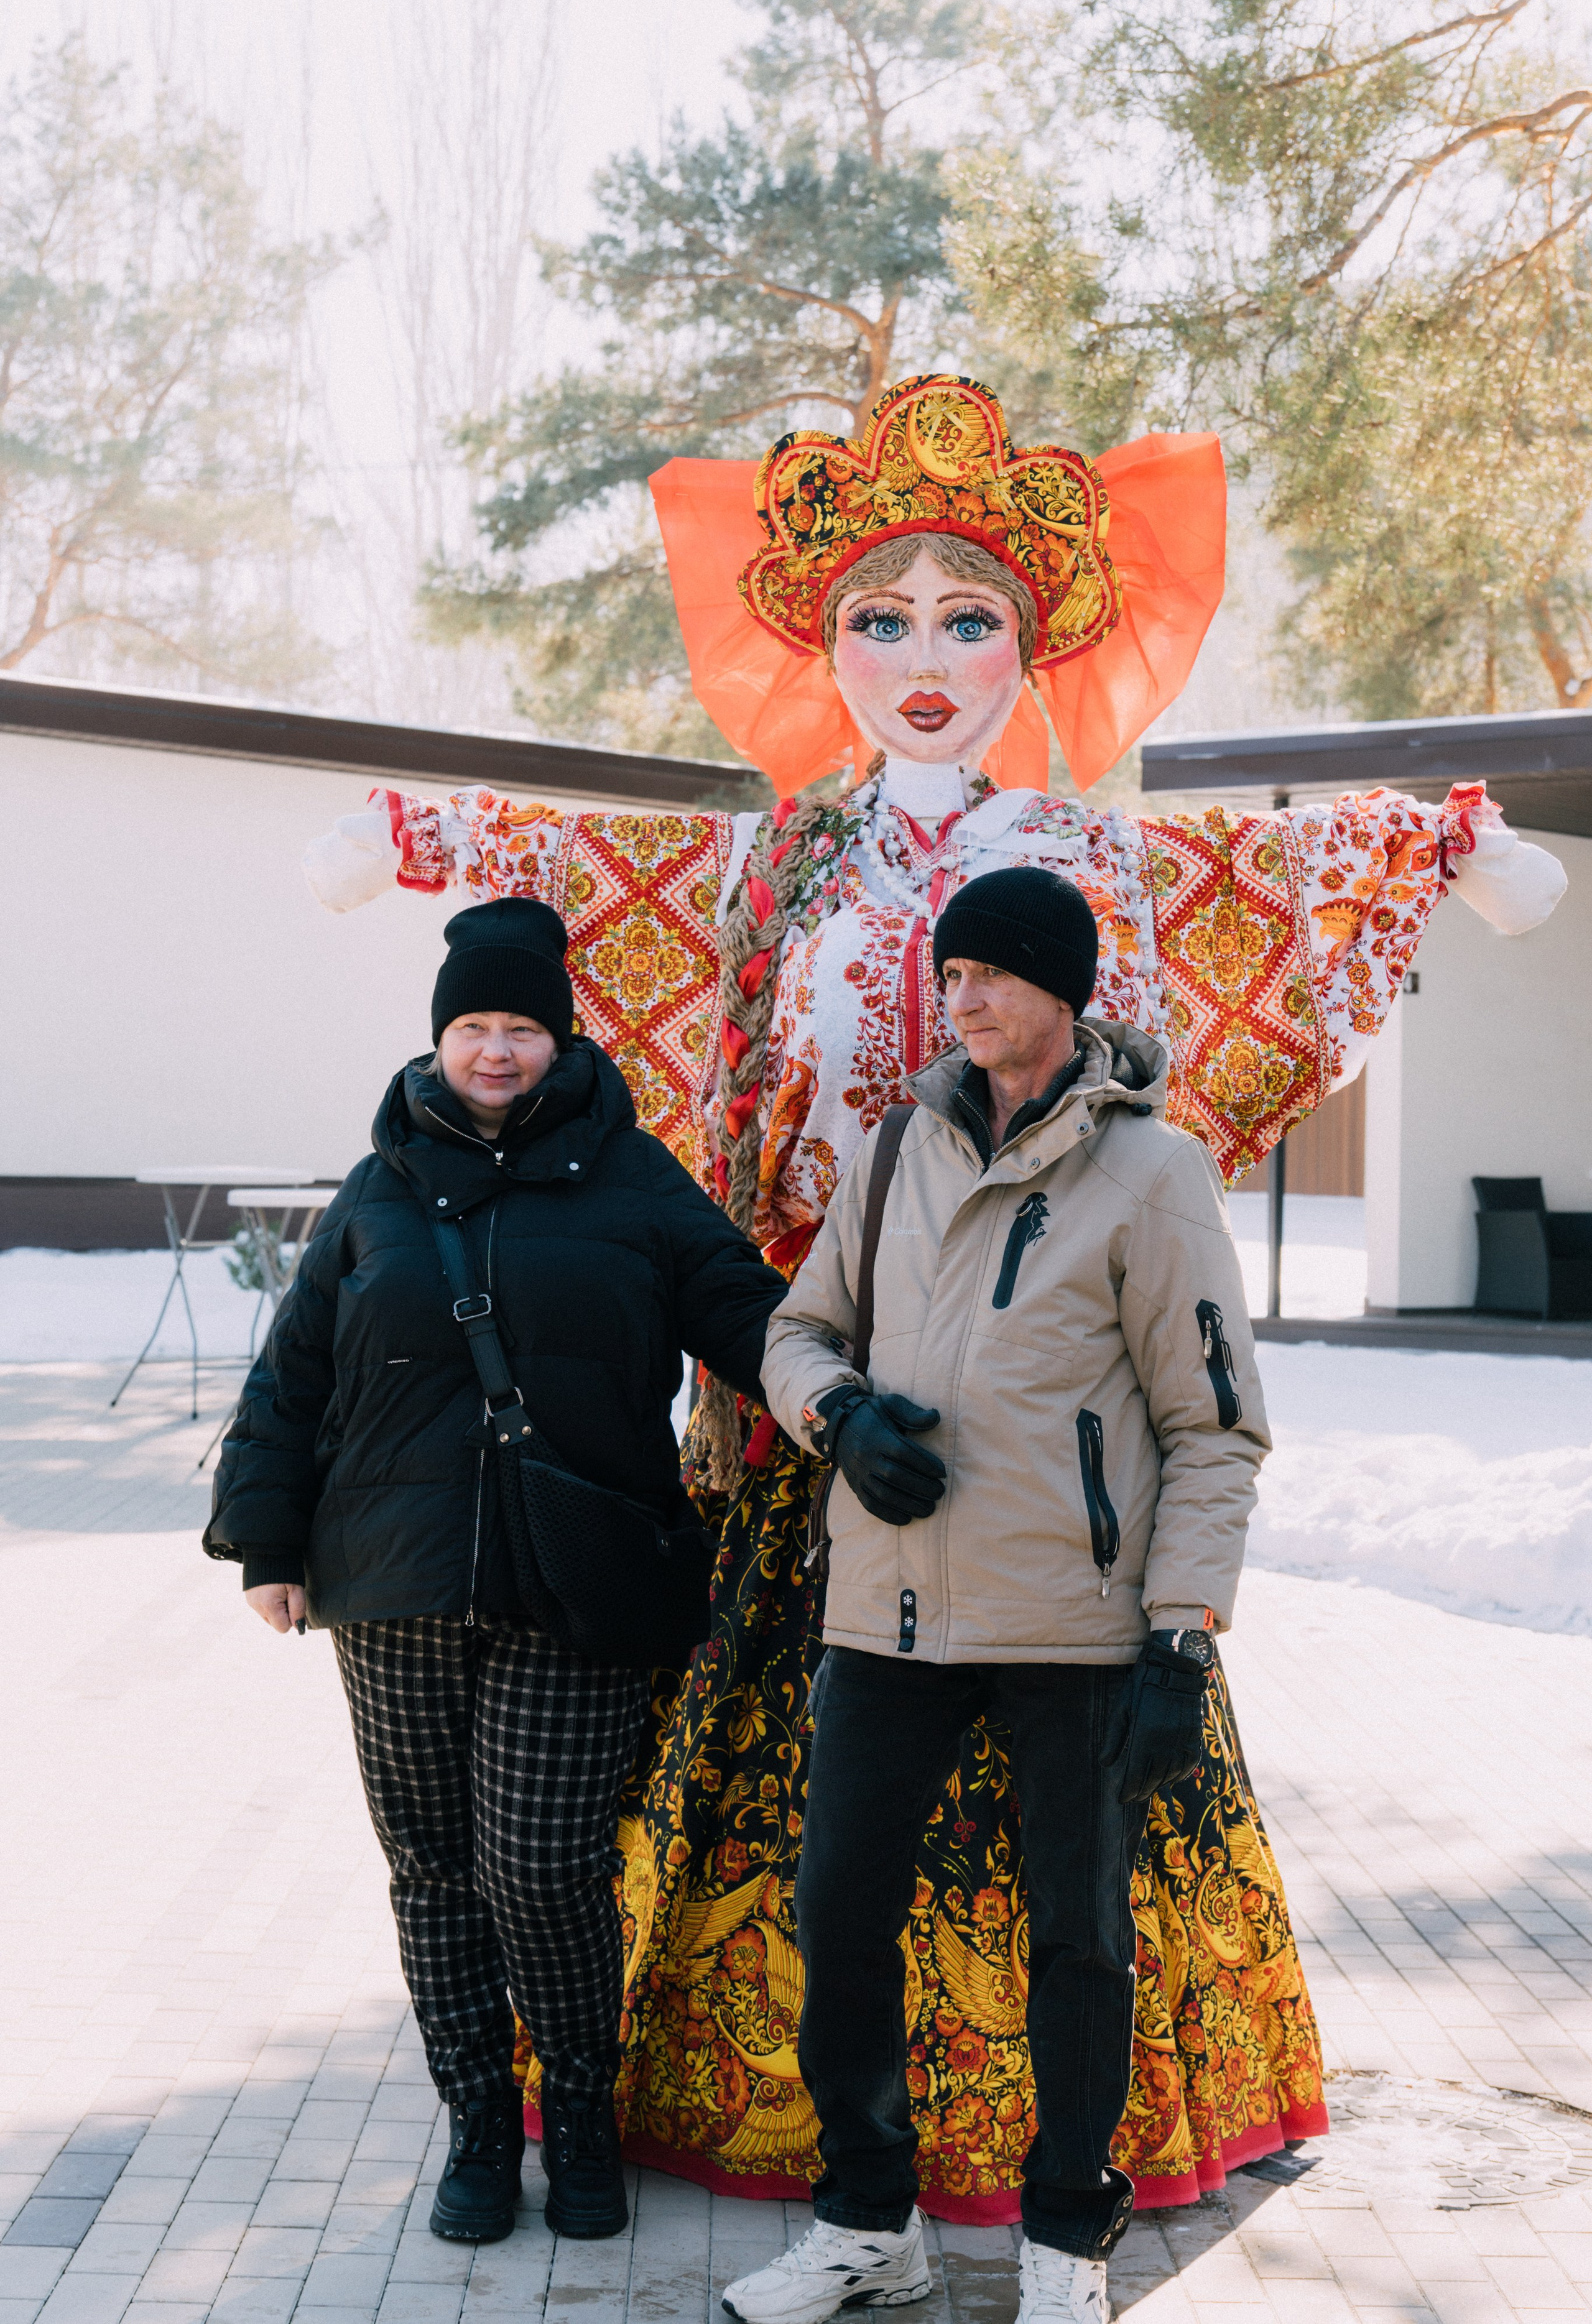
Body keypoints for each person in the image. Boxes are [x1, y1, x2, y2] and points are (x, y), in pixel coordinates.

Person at [301, 375, 1563, 2218]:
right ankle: (785, 2128)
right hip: (817, 1377)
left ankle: (1053, 2148)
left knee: (1057, 1796)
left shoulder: (1087, 852)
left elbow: (1257, 875)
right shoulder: (777, 861)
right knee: (813, 1794)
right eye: (878, 618)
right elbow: (600, 878)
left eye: (968, 617)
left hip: (1045, 1397)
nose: (922, 654)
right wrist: (424, 838)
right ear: (824, 642)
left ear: (1029, 646)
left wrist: (1446, 841)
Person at [727, 866, 1267, 2324]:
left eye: (986, 974)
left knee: (1076, 1939)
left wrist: (1180, 1634)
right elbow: (796, 1329)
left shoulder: (1153, 1175)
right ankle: (864, 2226)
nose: (955, 996)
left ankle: (1064, 2242)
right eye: (946, 972)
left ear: (1059, 992)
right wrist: (836, 1415)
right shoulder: (897, 1147)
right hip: (887, 1613)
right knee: (839, 1915)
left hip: (1075, 1630)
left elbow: (1213, 1425)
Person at [203, 896, 787, 2246]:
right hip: (387, 1578)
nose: (497, 1050)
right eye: (473, 1025)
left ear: (560, 1036)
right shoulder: (379, 1188)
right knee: (431, 1869)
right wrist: (267, 1543)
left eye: (521, 1024)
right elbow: (294, 1375)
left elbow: (745, 1311)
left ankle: (575, 2114)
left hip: (576, 1578)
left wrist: (843, 1388)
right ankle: (476, 2125)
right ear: (438, 1039)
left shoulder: (634, 1177)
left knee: (541, 1869)